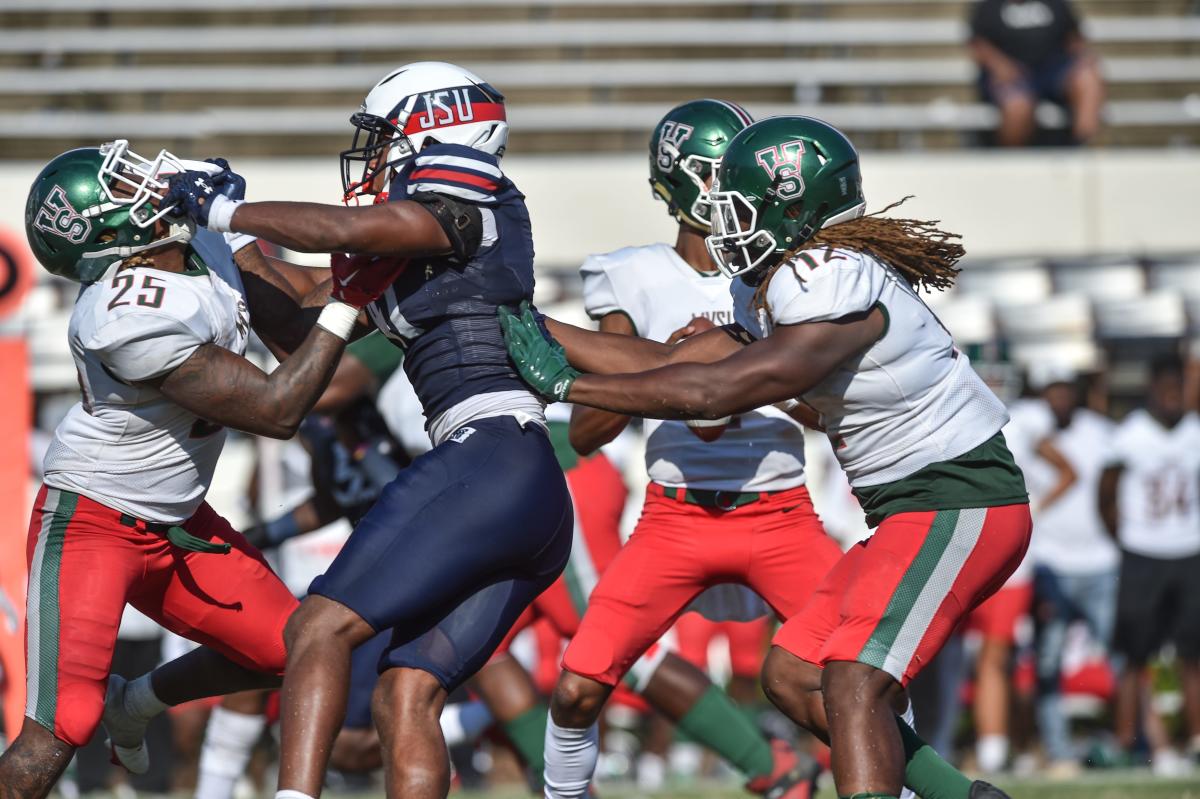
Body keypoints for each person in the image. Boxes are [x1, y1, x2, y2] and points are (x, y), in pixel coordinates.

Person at [498, 115, 1032, 799]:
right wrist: (536, 329)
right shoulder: (787, 278)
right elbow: (672, 361)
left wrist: (568, 384)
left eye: (741, 208)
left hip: (959, 497)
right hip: (910, 508)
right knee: (789, 675)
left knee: (852, 677)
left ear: (792, 207)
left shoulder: (830, 276)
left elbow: (718, 389)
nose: (725, 226)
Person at [165, 61, 575, 799]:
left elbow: (348, 225)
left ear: (434, 130)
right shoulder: (411, 246)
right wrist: (227, 239)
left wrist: (228, 212)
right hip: (519, 478)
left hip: (487, 458)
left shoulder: (468, 200)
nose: (376, 156)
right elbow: (297, 324)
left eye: (386, 138)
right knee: (405, 691)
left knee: (315, 628)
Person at [2, 140, 392, 798]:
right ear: (106, 233)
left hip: (179, 522)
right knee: (57, 731)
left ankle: (141, 700)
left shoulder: (193, 243)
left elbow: (297, 318)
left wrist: (396, 268)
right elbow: (277, 406)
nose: (148, 182)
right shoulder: (119, 316)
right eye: (124, 184)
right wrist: (354, 296)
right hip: (93, 523)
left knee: (294, 647)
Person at [540, 99, 841, 799]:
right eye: (717, 170)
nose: (733, 184)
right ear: (680, 181)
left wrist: (743, 378)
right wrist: (668, 374)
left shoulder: (782, 270)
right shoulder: (631, 275)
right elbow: (586, 432)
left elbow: (828, 409)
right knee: (579, 687)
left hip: (779, 511)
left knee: (860, 677)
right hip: (674, 516)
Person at [1100, 354, 1200, 773]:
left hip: (1190, 549)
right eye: (1166, 388)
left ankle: (1195, 739)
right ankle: (1128, 740)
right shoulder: (1131, 435)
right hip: (1143, 553)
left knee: (1193, 653)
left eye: (1178, 387)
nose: (1172, 396)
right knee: (1134, 654)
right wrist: (1125, 538)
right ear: (1153, 390)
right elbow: (1105, 494)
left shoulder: (1195, 432)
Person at [1024, 370, 1118, 777]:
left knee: (1120, 658)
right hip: (1050, 562)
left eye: (1065, 389)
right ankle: (1058, 750)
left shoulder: (1102, 431)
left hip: (1102, 561)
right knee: (1048, 660)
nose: (1059, 397)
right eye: (1052, 389)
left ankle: (1128, 741)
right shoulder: (1028, 429)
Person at [968, 0, 1105, 146]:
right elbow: (977, 44)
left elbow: (1074, 38)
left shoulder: (1056, 4)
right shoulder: (988, 6)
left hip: (1054, 70)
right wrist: (999, 65)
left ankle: (1082, 147)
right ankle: (1013, 161)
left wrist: (1083, 57)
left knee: (1088, 79)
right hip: (1013, 75)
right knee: (1018, 106)